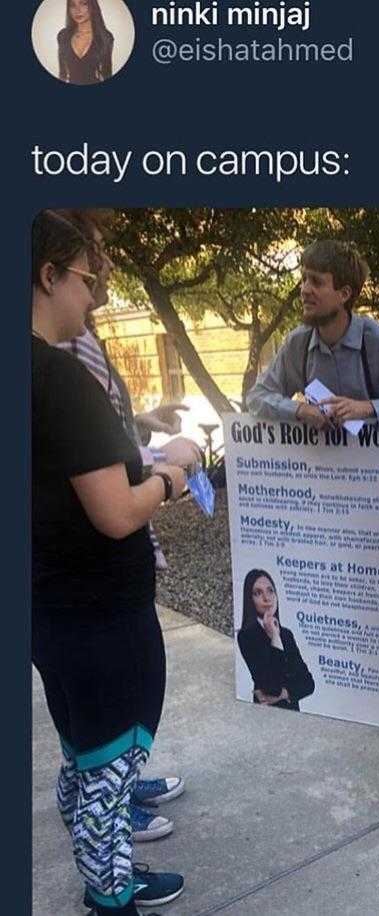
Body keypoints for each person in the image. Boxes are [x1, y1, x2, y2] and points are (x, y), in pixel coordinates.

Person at [32, 211, 185, 914]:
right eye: (87, 280)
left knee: (84, 744)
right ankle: (110, 891)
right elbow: (117, 512)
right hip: (98, 612)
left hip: (52, 606)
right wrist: (174, 473)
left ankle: (98, 854)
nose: (93, 299)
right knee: (111, 757)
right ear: (48, 275)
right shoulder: (58, 377)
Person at [57, 210, 199, 842]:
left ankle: (108, 785)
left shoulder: (71, 339)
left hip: (97, 565)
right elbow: (102, 491)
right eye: (93, 257)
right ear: (50, 269)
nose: (103, 269)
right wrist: (171, 471)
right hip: (91, 568)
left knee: (100, 699)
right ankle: (106, 810)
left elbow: (87, 438)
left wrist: (137, 421)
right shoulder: (55, 353)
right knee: (111, 695)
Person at [245, 240, 379, 428]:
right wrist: (299, 410)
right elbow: (256, 397)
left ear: (344, 294)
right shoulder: (298, 344)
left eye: (316, 282)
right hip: (322, 467)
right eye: (304, 280)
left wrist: (371, 408)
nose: (304, 290)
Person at [236, 570, 316, 711]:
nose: (267, 598)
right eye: (258, 593)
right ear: (250, 600)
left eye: (270, 591)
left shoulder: (286, 634)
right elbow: (272, 688)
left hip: (292, 714)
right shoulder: (246, 636)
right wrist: (274, 637)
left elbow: (308, 684)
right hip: (266, 716)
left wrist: (283, 694)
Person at [58, 0, 114, 85]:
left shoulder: (105, 37)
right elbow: (62, 74)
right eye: (72, 5)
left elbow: (107, 74)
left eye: (83, 4)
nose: (78, 10)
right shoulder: (63, 36)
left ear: (92, 6)